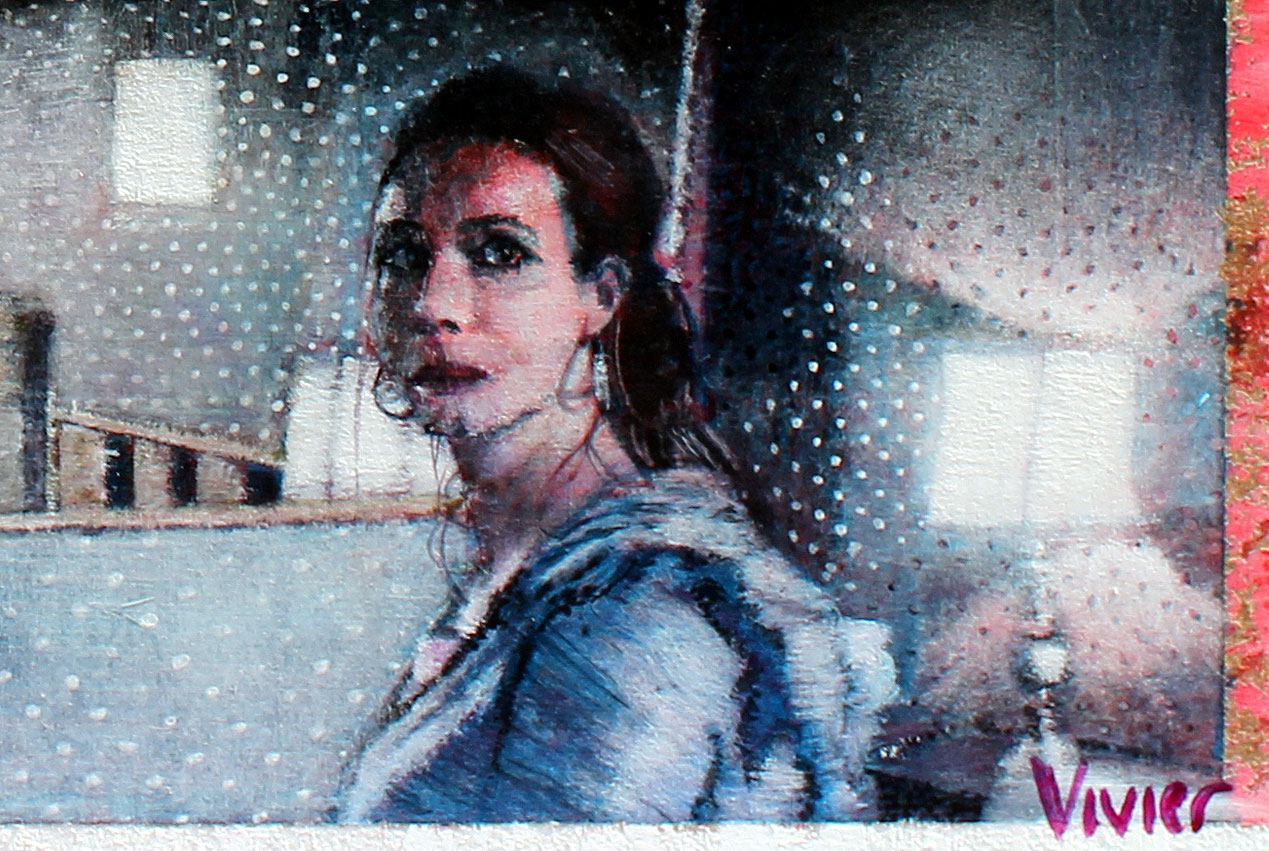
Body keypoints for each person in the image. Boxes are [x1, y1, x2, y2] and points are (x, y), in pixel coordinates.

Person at [335, 66, 894, 823]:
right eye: (402, 255)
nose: (434, 304)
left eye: (500, 254)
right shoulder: (531, 565)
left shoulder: (633, 614)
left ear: (599, 296)